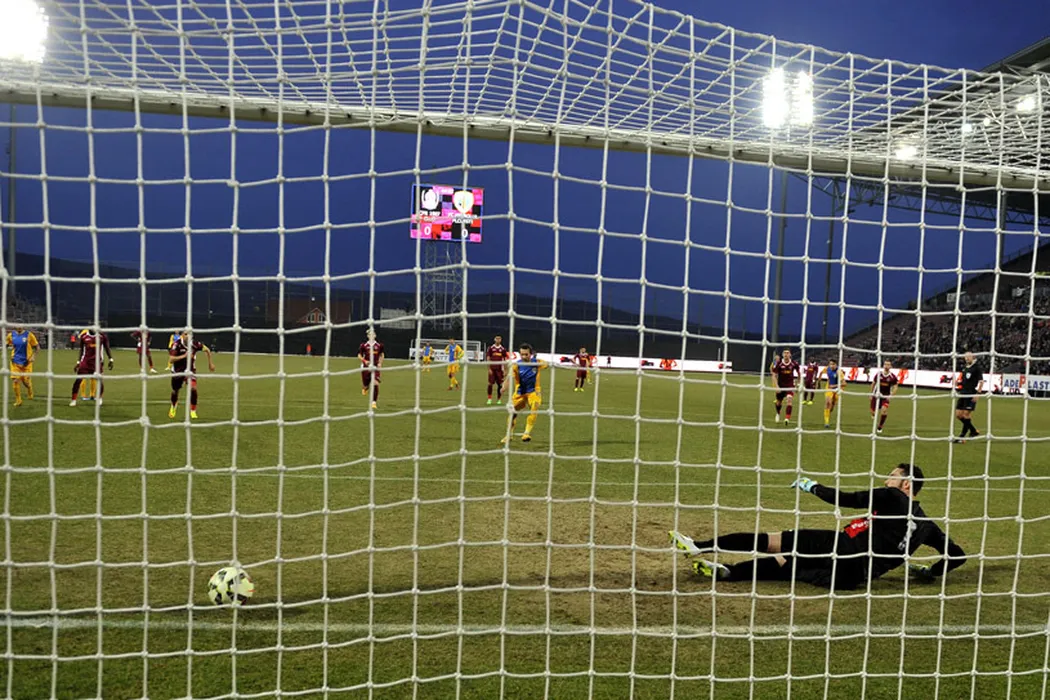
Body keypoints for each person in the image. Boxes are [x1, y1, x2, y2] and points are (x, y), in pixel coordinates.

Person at [669, 464, 967, 590]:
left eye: (892, 476)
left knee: (777, 542)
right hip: (849, 579)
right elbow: (957, 555)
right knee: (788, 564)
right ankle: (729, 573)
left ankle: (700, 546)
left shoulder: (893, 496)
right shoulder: (927, 526)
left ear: (906, 484)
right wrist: (931, 572)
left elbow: (848, 499)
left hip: (842, 547)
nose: (887, 480)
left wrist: (812, 486)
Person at [501, 342, 547, 444]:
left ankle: (526, 433)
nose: (524, 356)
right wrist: (504, 386)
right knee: (512, 413)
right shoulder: (516, 365)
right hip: (520, 393)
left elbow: (547, 365)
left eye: (526, 354)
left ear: (531, 354)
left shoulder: (537, 363)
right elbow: (510, 377)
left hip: (534, 392)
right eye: (522, 354)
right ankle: (509, 435)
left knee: (534, 408)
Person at [169, 330, 215, 419]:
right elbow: (171, 359)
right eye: (186, 334)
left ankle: (193, 410)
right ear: (182, 335)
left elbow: (207, 350)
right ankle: (173, 406)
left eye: (189, 334)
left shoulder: (195, 344)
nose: (188, 336)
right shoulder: (176, 345)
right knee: (175, 391)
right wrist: (184, 356)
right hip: (177, 371)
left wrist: (210, 363)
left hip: (190, 371)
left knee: (193, 389)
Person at [70, 329, 113, 407]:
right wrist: (78, 362)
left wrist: (111, 359)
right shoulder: (84, 336)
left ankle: (99, 398)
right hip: (85, 362)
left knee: (100, 381)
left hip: (97, 363)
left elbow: (107, 347)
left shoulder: (102, 336)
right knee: (78, 380)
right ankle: (73, 400)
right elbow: (81, 350)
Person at [954, 352, 984, 443]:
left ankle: (962, 437)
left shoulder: (977, 368)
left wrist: (978, 394)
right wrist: (958, 383)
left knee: (966, 415)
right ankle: (973, 431)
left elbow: (981, 381)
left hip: (971, 394)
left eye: (968, 357)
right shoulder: (965, 368)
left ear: (973, 357)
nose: (966, 358)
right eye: (965, 357)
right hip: (963, 393)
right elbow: (965, 381)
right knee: (958, 415)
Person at [6, 324, 39, 406]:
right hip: (15, 362)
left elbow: (37, 347)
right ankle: (18, 400)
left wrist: (33, 357)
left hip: (26, 363)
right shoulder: (11, 335)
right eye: (17, 326)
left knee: (25, 382)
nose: (19, 327)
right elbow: (6, 344)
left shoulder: (29, 335)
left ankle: (29, 388)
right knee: (15, 381)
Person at [770, 348, 800, 425]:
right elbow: (774, 375)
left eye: (787, 353)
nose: (786, 354)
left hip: (790, 385)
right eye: (785, 353)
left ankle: (787, 418)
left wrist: (798, 384)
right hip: (780, 386)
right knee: (778, 403)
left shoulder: (794, 363)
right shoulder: (779, 363)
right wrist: (776, 386)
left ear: (790, 354)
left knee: (789, 400)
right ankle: (778, 413)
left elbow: (799, 373)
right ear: (782, 354)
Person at [358, 330, 384, 410]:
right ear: (368, 336)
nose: (371, 336)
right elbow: (359, 355)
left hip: (375, 367)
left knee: (375, 383)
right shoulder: (363, 345)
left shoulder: (379, 345)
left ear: (375, 335)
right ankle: (365, 387)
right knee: (366, 385)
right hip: (366, 367)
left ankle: (374, 403)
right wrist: (364, 361)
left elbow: (382, 354)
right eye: (370, 334)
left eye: (373, 334)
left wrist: (380, 363)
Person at [870, 360, 899, 434]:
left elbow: (895, 387)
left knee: (884, 411)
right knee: (873, 412)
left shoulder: (892, 377)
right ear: (883, 365)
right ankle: (873, 414)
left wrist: (891, 395)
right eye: (885, 364)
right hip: (876, 395)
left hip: (885, 397)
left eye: (888, 365)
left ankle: (880, 426)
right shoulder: (878, 374)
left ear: (891, 366)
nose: (886, 366)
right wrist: (871, 394)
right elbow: (873, 384)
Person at [817, 359, 841, 429]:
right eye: (830, 364)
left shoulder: (839, 371)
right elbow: (821, 372)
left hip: (836, 390)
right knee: (828, 403)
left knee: (832, 406)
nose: (831, 366)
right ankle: (826, 422)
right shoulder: (827, 368)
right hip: (829, 387)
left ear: (836, 365)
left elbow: (843, 383)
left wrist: (835, 386)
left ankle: (827, 415)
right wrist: (819, 382)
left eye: (833, 364)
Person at [486, 335, 509, 404]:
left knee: (500, 385)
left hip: (499, 370)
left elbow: (505, 360)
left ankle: (499, 399)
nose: (498, 340)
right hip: (492, 369)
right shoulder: (491, 348)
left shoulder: (503, 349)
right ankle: (489, 399)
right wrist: (489, 369)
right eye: (497, 338)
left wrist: (505, 370)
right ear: (494, 339)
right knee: (490, 384)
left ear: (501, 340)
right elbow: (488, 358)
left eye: (499, 339)